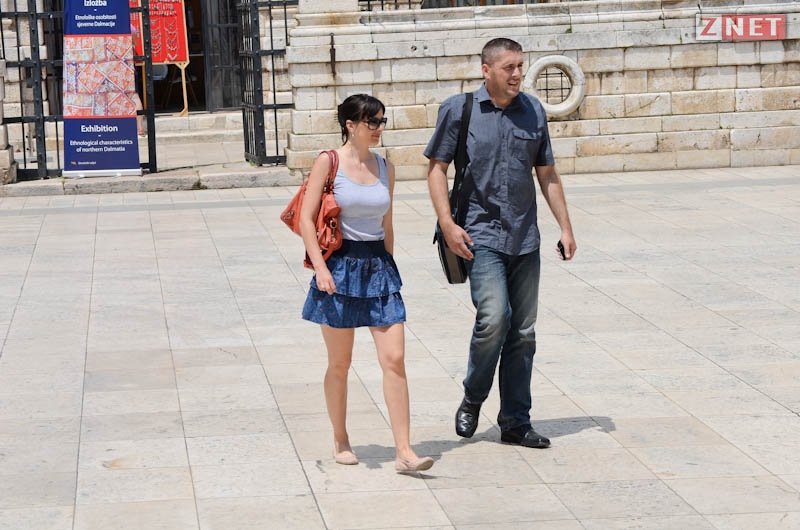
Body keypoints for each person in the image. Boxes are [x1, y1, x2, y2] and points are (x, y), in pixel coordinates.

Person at [424, 38, 576, 449]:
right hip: (480, 234)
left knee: (523, 331)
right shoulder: (459, 109)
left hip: (525, 236)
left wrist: (566, 228)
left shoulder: (533, 110)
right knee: (494, 318)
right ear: (486, 70)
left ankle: (515, 422)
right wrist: (448, 224)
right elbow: (437, 169)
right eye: (509, 67)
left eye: (520, 66)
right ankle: (474, 397)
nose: (517, 74)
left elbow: (547, 173)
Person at [300, 94, 434, 473]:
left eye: (382, 121)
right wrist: (321, 269)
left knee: (395, 359)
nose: (378, 128)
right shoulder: (328, 162)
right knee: (340, 363)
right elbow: (307, 219)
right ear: (350, 124)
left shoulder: (386, 167)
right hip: (339, 267)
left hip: (378, 267)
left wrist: (389, 264)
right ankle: (340, 438)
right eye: (372, 122)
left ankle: (404, 451)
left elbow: (387, 223)